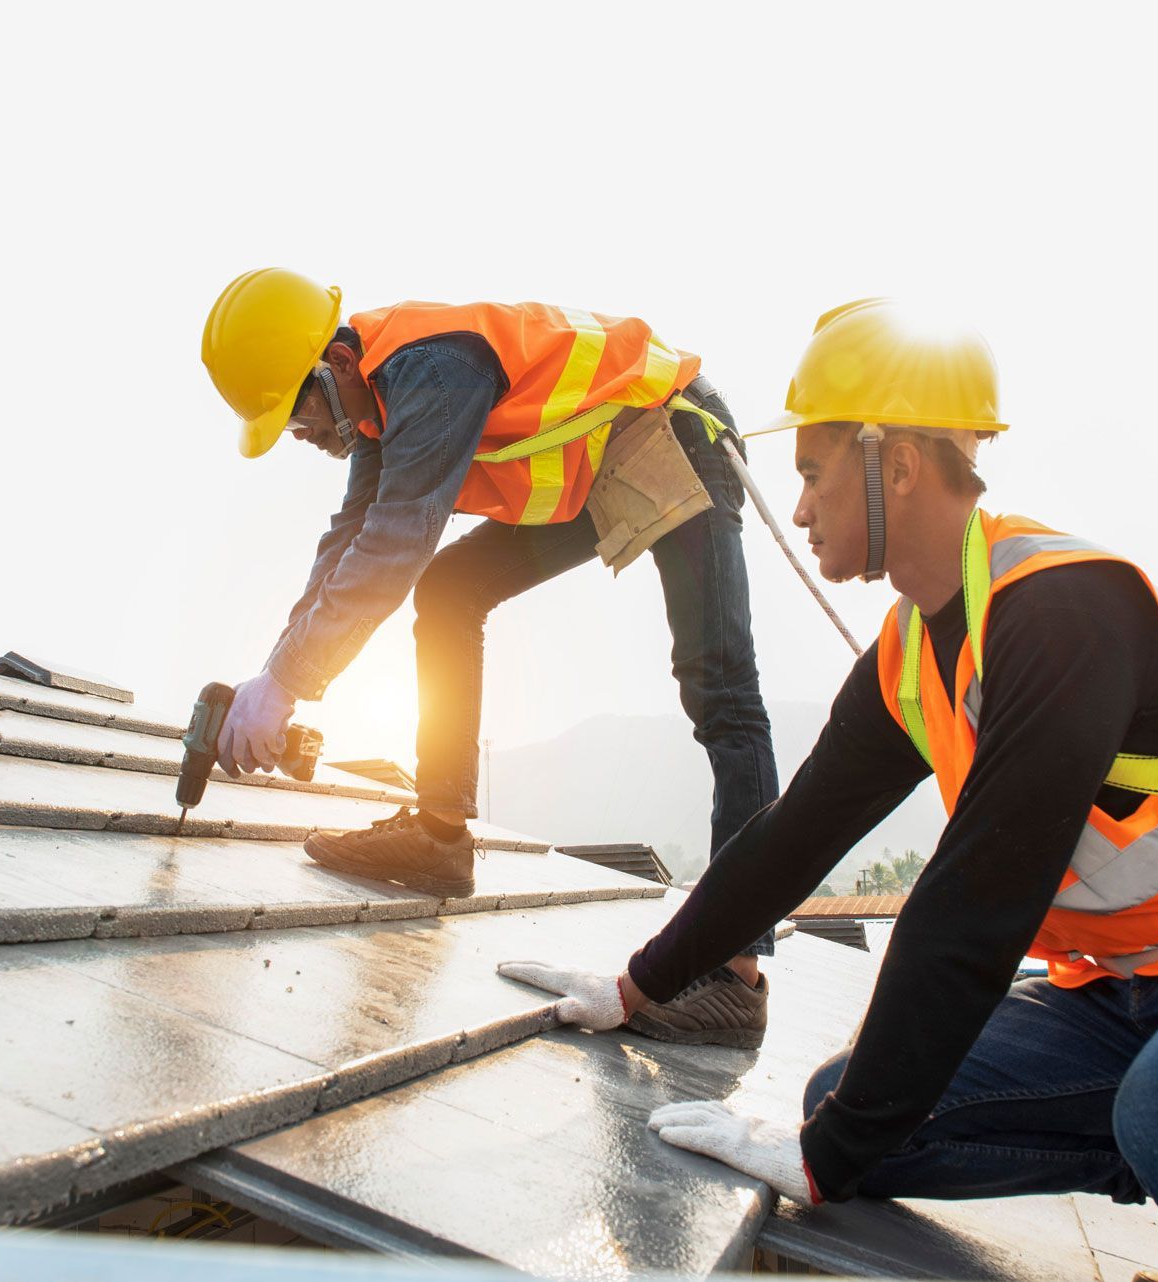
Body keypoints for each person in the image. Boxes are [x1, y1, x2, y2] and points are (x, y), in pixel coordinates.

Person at [498, 298, 1158, 1282]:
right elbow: (793, 838)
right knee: (865, 1101)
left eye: (813, 473)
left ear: (899, 463)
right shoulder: (911, 655)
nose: (798, 509)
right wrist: (636, 986)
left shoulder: (1059, 609)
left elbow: (974, 902)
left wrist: (823, 1162)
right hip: (1143, 1002)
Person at [201, 268, 780, 1046]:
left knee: (721, 690)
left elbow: (396, 539)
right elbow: (349, 538)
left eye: (295, 413)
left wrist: (288, 683)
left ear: (336, 368)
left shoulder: (430, 367)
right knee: (449, 592)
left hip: (670, 432)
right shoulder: (372, 410)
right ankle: (440, 839)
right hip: (595, 459)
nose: (298, 436)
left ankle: (736, 975)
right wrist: (272, 677)